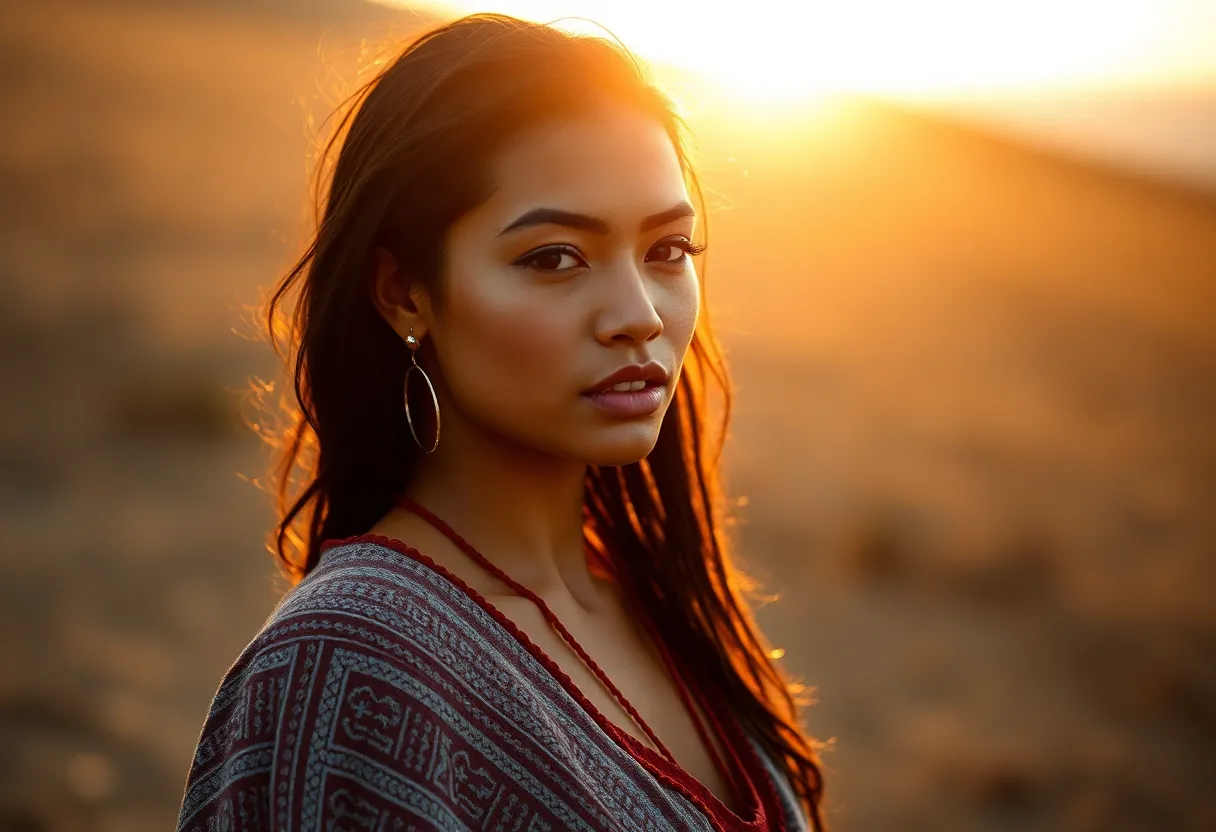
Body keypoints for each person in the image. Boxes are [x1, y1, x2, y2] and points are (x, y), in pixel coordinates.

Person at [175, 13, 827, 831]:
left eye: (667, 250)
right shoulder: (350, 658)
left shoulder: (655, 603)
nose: (639, 315)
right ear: (404, 293)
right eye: (555, 257)